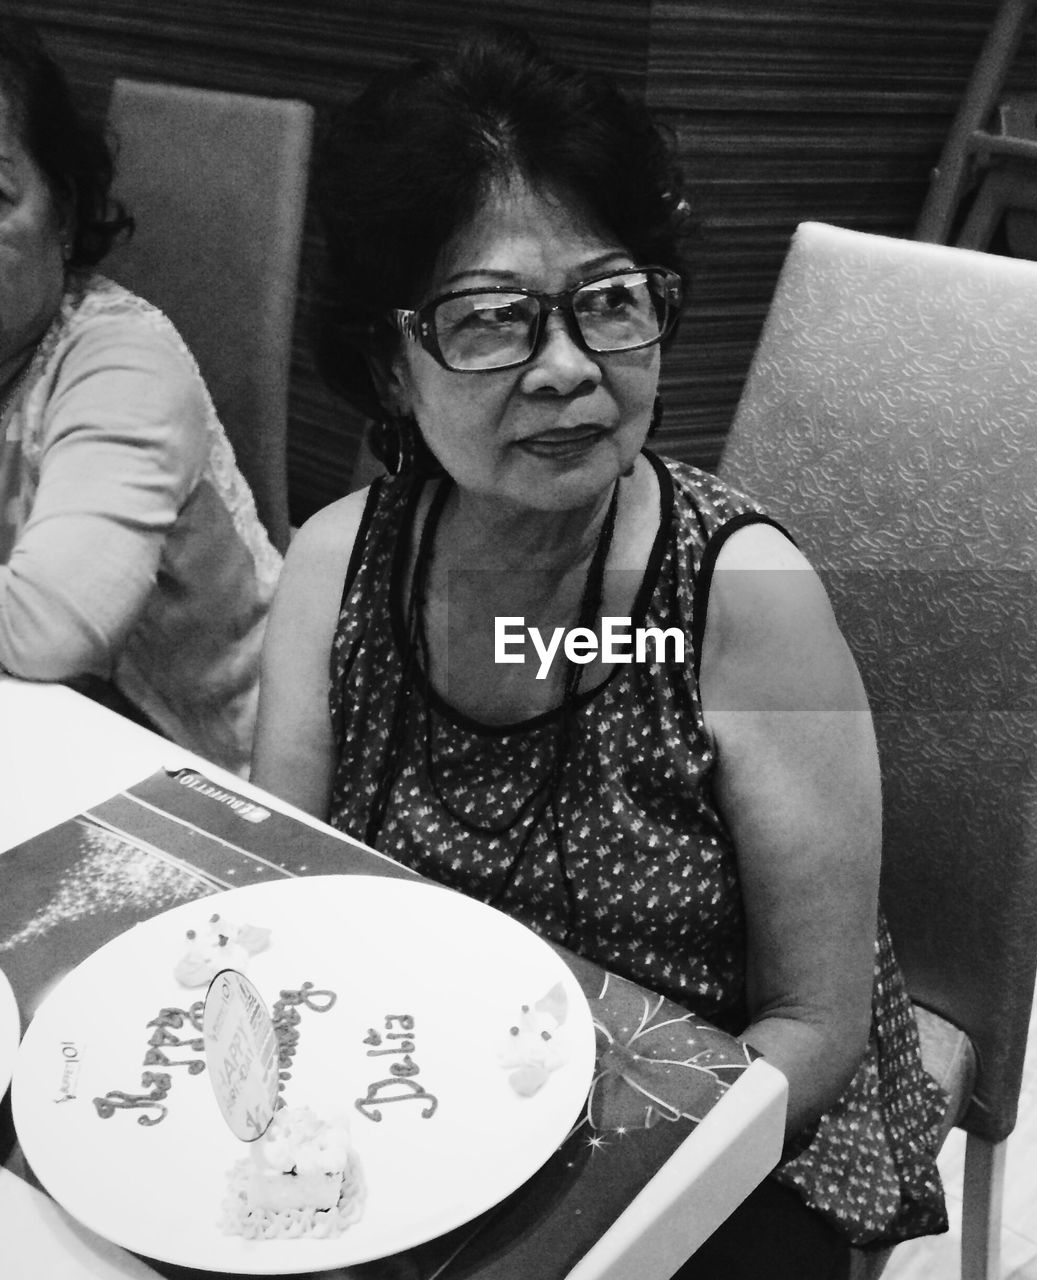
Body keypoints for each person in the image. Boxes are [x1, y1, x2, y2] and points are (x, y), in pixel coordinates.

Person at [252, 26, 945, 1276]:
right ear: (385, 364)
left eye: (608, 303)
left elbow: (814, 1023)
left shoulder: (743, 596)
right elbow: (287, 910)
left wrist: (591, 1214)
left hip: (721, 1129)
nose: (568, 370)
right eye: (488, 321)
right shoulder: (333, 564)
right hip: (420, 1097)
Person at [0, 16, 280, 775]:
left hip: (225, 778)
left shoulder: (122, 358)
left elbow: (51, 627)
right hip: (53, 744)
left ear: (65, 214)